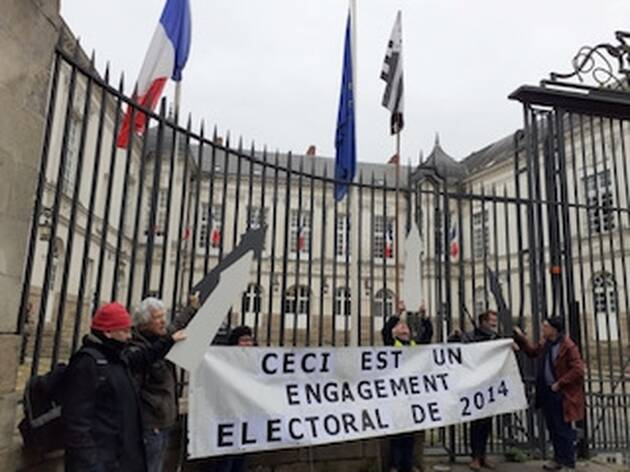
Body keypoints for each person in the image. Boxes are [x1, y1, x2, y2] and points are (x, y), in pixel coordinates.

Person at [62, 302, 186, 472]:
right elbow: (76, 421)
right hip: (99, 460)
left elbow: (145, 356)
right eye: (125, 331)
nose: (129, 336)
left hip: (118, 456)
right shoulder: (87, 363)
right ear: (108, 332)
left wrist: (170, 341)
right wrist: (91, 463)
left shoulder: (118, 357)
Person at [130, 294, 199, 472]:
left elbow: (177, 324)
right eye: (157, 318)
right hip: (150, 423)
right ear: (145, 323)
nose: (163, 321)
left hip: (164, 421)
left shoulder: (163, 336)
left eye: (163, 316)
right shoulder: (137, 348)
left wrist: (191, 307)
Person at [514, 317, 585, 471]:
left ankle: (568, 463)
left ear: (554, 329)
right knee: (553, 428)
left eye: (545, 326)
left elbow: (578, 370)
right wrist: (521, 339)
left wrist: (560, 383)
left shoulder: (567, 346)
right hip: (546, 391)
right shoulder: (545, 343)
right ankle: (558, 459)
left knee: (563, 429)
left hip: (560, 393)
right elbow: (532, 352)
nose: (542, 329)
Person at [381, 305, 426, 472]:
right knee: (396, 434)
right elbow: (385, 331)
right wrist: (397, 314)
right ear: (395, 333)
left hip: (412, 396)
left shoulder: (414, 345)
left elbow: (427, 335)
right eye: (400, 326)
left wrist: (424, 317)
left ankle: (407, 465)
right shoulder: (392, 344)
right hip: (396, 395)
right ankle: (394, 464)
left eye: (405, 326)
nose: (404, 327)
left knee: (410, 435)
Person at [211, 325, 254, 472]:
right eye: (243, 340)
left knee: (241, 458)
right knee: (225, 460)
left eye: (250, 340)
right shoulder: (223, 362)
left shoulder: (255, 362)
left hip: (245, 417)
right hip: (227, 417)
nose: (248, 344)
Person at [464, 310, 500, 471]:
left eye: (494, 321)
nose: (494, 324)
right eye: (491, 321)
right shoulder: (470, 337)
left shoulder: (496, 338)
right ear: (483, 322)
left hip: (490, 386)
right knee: (476, 423)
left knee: (486, 424)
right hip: (475, 386)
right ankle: (475, 457)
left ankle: (482, 455)